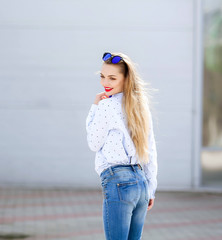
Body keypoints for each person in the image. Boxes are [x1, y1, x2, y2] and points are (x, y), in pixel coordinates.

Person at [85, 52, 158, 240]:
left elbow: (93, 143)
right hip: (141, 184)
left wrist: (94, 106)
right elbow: (150, 149)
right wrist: (151, 188)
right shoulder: (141, 106)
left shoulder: (106, 106)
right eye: (102, 76)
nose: (105, 83)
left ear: (126, 79)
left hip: (118, 182)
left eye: (112, 78)